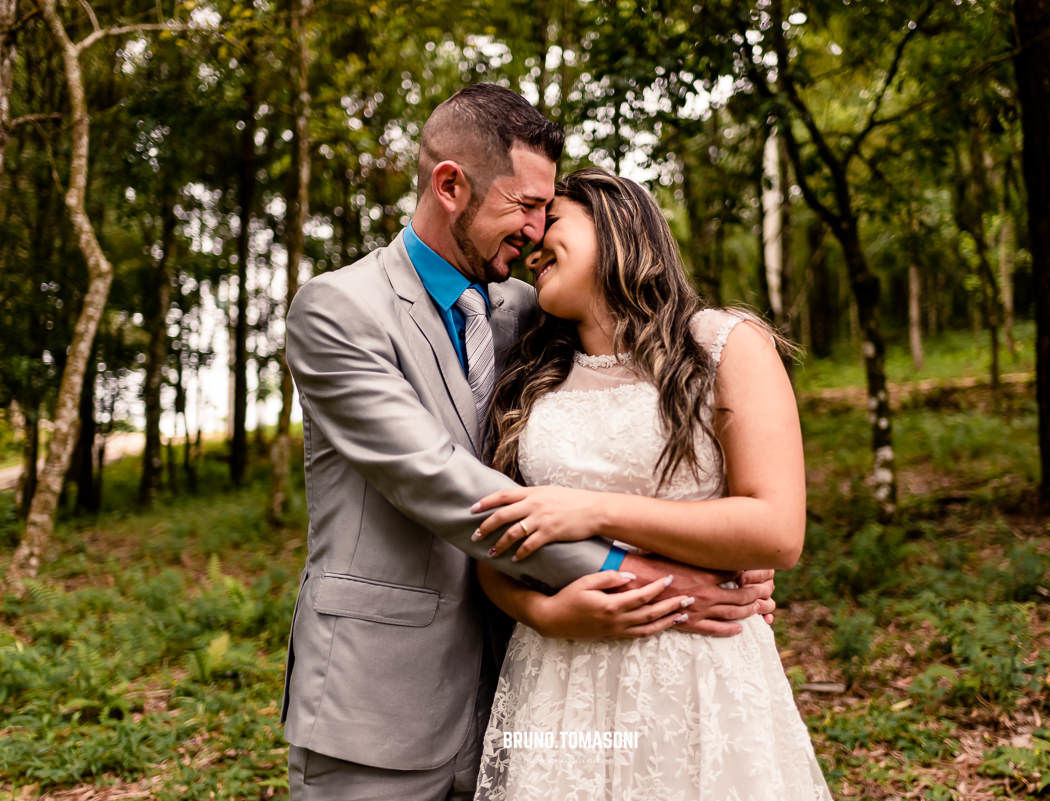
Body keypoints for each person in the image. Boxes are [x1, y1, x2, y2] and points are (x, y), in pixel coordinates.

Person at [282, 84, 777, 801]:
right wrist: (659, 577)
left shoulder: (528, 305)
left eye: (549, 210)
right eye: (527, 205)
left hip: (527, 687)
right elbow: (439, 480)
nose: (540, 229)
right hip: (379, 697)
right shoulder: (338, 310)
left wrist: (727, 548)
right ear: (450, 185)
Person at [469, 168, 834, 800]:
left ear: (616, 222)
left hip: (699, 670)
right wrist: (547, 614)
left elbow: (777, 532)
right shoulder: (529, 378)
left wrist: (592, 512)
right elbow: (491, 548)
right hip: (560, 678)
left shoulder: (723, 344)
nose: (532, 241)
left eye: (552, 219)